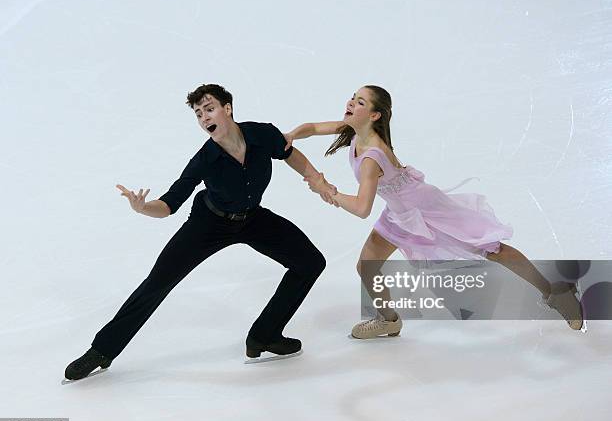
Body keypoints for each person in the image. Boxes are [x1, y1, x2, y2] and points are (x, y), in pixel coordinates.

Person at [64, 83, 336, 381]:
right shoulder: (204, 160)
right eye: (198, 114)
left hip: (252, 218)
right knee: (157, 282)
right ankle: (101, 350)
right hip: (209, 223)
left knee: (310, 262)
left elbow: (288, 152)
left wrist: (316, 179)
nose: (205, 118)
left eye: (209, 109)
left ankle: (265, 335)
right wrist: (143, 208)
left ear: (227, 109)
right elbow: (169, 204)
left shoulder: (261, 134)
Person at [284, 85, 586, 338]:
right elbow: (312, 128)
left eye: (360, 102)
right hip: (400, 214)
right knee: (368, 267)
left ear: (374, 115)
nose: (351, 102)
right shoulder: (352, 128)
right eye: (353, 97)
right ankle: (388, 320)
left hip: (427, 210)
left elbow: (362, 208)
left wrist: (330, 192)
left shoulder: (372, 157)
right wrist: (291, 136)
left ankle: (556, 292)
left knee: (493, 249)